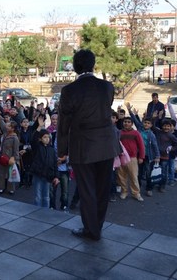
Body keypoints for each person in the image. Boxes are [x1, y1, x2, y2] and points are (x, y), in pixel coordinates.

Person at [57, 49, 120, 241]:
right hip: (106, 145)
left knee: (87, 190)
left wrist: (62, 150)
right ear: (93, 65)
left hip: (83, 146)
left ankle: (91, 230)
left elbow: (63, 124)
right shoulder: (107, 87)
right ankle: (96, 227)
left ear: (76, 67)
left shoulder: (69, 91)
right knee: (102, 189)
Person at [29, 127, 59, 207]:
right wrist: (38, 128)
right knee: (38, 196)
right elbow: (33, 140)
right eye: (44, 137)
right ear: (40, 139)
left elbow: (55, 164)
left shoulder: (51, 150)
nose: (47, 139)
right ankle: (37, 211)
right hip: (38, 174)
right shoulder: (37, 147)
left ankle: (46, 212)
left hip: (48, 176)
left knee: (46, 196)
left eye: (48, 137)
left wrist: (56, 176)